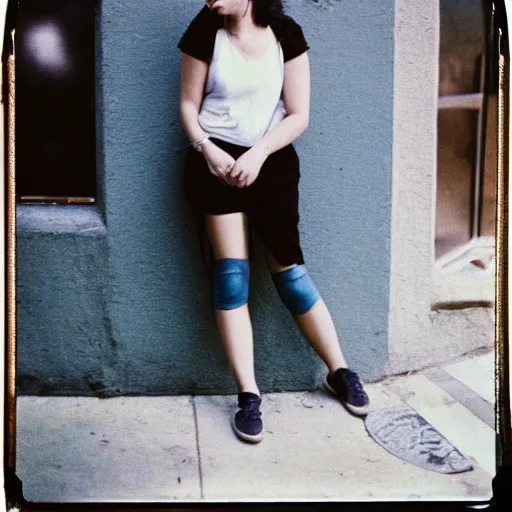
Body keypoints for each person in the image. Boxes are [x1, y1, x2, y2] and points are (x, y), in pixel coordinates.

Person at [178, 0, 369, 444]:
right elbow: (188, 106)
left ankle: (339, 371)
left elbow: (299, 113)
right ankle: (248, 396)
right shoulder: (204, 31)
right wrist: (208, 149)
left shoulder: (286, 33)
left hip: (271, 161)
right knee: (231, 277)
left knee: (291, 273)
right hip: (215, 164)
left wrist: (259, 153)